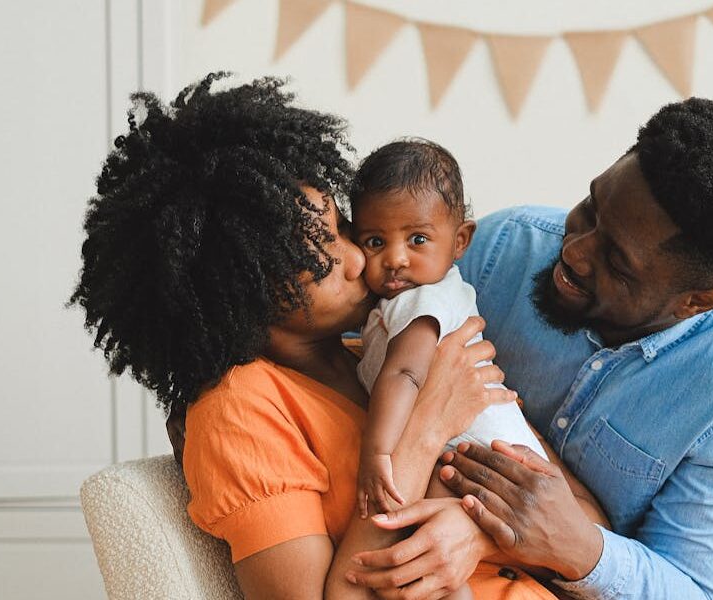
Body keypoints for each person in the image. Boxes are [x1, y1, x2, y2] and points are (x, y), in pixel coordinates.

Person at [72, 73, 602, 599]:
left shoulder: (380, 350)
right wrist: (427, 423)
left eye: (344, 229)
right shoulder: (239, 409)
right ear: (245, 293)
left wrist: (474, 533)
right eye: (324, 259)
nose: (361, 260)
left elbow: (583, 521)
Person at [343, 99, 713, 599]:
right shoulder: (504, 248)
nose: (573, 251)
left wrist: (568, 548)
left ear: (696, 301)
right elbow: (367, 339)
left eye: (615, 261)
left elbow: (692, 587)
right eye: (591, 209)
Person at [351, 139, 548, 528]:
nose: (395, 259)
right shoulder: (425, 295)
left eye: (417, 239)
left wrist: (376, 454)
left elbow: (405, 374)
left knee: (422, 534)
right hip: (494, 463)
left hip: (483, 462)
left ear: (460, 241)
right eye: (375, 242)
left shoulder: (422, 300)